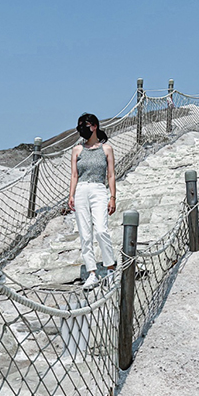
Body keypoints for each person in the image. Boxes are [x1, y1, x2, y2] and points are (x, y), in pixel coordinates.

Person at [68, 113, 117, 287]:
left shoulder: (106, 149)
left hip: (98, 188)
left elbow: (110, 175)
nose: (81, 129)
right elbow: (74, 174)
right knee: (85, 234)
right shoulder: (77, 150)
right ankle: (92, 273)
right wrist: (71, 195)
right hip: (81, 189)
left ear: (94, 126)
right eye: (79, 126)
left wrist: (112, 197)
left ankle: (110, 270)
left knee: (101, 230)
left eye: (84, 125)